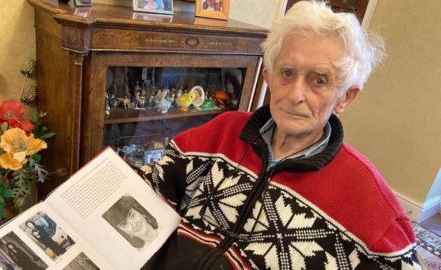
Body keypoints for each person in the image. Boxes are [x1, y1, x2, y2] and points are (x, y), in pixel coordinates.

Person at [138, 1, 420, 269]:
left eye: (319, 80)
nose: (295, 94)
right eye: (287, 72)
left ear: (346, 97)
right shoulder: (221, 133)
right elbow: (148, 187)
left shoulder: (370, 203)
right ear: (269, 77)